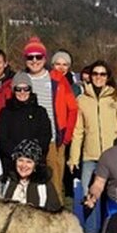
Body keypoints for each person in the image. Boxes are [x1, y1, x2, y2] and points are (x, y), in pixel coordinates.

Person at [69, 60, 117, 233]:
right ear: (90, 76)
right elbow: (78, 131)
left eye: (103, 74)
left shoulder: (116, 99)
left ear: (108, 77)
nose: (99, 78)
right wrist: (74, 157)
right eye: (95, 74)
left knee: (112, 195)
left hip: (112, 155)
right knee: (88, 194)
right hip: (90, 156)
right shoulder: (82, 100)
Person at [21, 36, 77, 200]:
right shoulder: (21, 80)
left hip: (54, 140)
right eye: (30, 57)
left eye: (38, 57)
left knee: (54, 183)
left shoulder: (57, 79)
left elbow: (72, 108)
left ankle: (56, 217)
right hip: (29, 139)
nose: (34, 60)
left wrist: (66, 137)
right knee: (29, 183)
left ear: (44, 58)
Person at [0, 72, 52, 176]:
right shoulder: (6, 112)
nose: (22, 92)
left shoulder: (40, 112)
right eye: (18, 89)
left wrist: (32, 155)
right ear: (13, 90)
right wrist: (18, 156)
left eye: (26, 89)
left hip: (34, 161)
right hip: (12, 161)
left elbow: (45, 135)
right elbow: (3, 137)